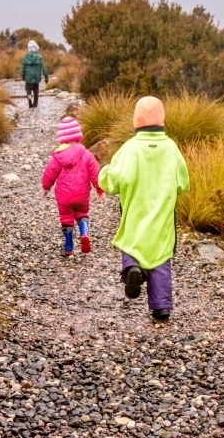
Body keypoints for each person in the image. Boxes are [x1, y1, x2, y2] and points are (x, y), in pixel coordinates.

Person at [99, 96, 189, 321]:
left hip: (135, 211)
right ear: (162, 118)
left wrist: (104, 172)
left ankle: (132, 270)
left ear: (136, 120)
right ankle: (161, 307)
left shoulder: (130, 148)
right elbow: (183, 183)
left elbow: (114, 181)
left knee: (131, 241)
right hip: (162, 215)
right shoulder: (170, 148)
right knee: (161, 255)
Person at [42, 117, 104, 256]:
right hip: (82, 194)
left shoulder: (57, 156)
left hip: (64, 196)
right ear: (78, 136)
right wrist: (99, 189)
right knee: (82, 213)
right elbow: (95, 173)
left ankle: (69, 246)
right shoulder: (86, 154)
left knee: (66, 218)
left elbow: (49, 174)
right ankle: (84, 233)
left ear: (61, 138)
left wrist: (46, 188)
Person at [21, 40, 48, 108]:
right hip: (36, 77)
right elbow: (43, 67)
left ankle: (29, 96)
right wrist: (46, 76)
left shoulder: (26, 57)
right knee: (36, 91)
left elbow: (23, 67)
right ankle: (35, 104)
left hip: (28, 77)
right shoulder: (39, 57)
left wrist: (23, 75)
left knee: (28, 89)